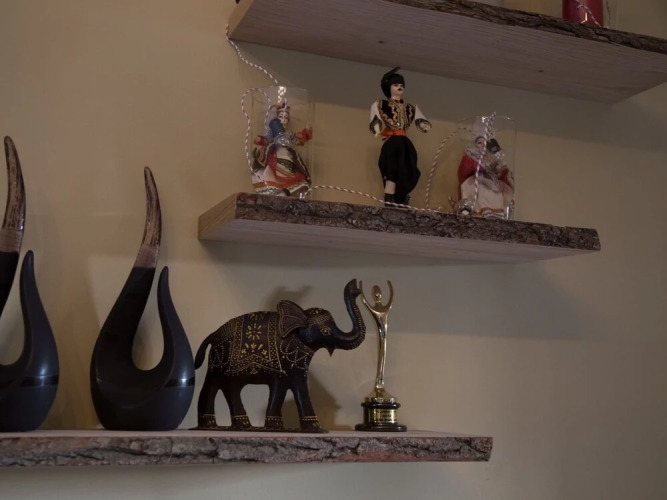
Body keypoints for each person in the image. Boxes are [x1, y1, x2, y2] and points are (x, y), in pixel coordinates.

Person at [369, 67, 431, 206]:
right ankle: (390, 196)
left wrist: (423, 125)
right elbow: (375, 122)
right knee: (392, 169)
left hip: (404, 143)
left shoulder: (410, 107)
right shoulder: (381, 104)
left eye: (401, 85)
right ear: (389, 87)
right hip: (392, 143)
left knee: (408, 169)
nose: (399, 87)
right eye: (396, 85)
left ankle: (402, 195)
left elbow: (423, 123)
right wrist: (378, 130)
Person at [251, 103, 312, 197]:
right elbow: (267, 140)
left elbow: (299, 140)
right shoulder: (272, 133)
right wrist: (261, 140)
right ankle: (273, 190)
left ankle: (287, 192)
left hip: (287, 157)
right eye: (280, 116)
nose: (283, 119)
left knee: (299, 178)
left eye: (285, 117)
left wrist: (306, 133)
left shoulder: (289, 134)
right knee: (268, 173)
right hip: (275, 155)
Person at [457, 135, 514, 218]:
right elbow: (465, 170)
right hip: (478, 182)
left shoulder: (494, 158)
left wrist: (497, 170)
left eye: (485, 143)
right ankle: (477, 212)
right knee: (478, 190)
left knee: (495, 193)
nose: (483, 145)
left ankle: (495, 213)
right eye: (480, 143)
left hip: (492, 184)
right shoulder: (472, 156)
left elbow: (502, 172)